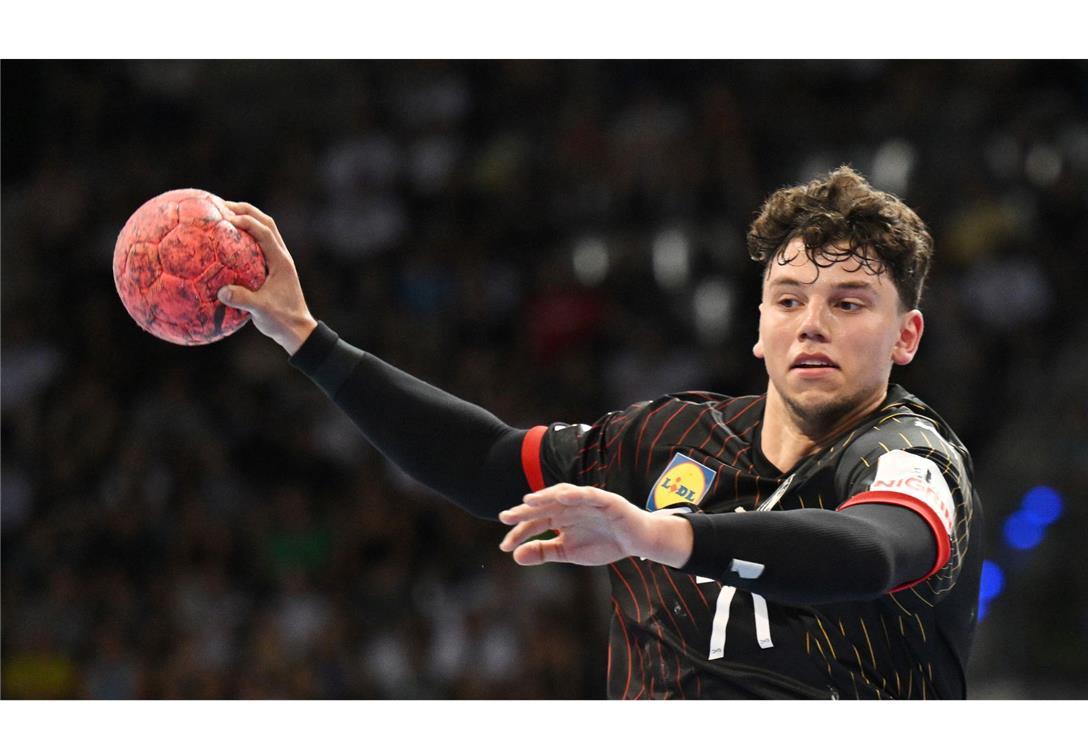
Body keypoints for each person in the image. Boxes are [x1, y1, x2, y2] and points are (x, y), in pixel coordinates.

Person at [217, 166, 983, 699]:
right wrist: (306, 338)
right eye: (788, 301)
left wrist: (661, 535)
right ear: (758, 327)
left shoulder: (909, 455)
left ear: (906, 336)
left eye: (849, 304)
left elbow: (872, 553)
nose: (812, 324)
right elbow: (488, 464)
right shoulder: (669, 439)